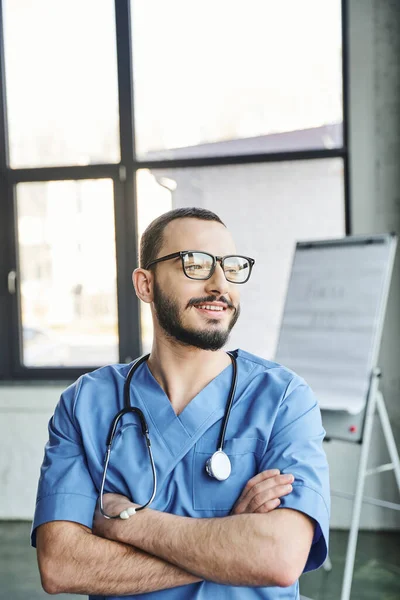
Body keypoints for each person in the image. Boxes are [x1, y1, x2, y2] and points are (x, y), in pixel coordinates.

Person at [32, 207, 330, 599]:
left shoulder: (284, 399)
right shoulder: (85, 403)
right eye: (196, 264)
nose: (219, 284)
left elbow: (278, 558)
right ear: (145, 285)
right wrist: (229, 544)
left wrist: (126, 523)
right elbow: (62, 566)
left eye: (231, 267)